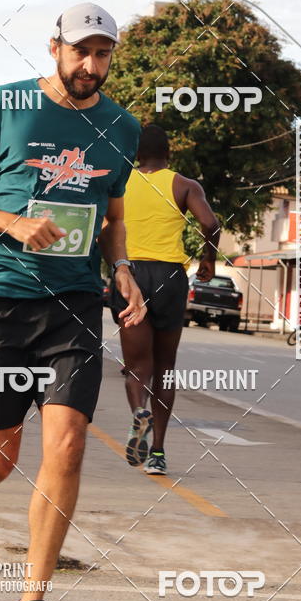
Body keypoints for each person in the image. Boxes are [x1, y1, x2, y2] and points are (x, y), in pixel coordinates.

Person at [0, 2, 144, 601]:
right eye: (81, 51)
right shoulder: (5, 106)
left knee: (70, 446)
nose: (91, 65)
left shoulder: (120, 126)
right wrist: (11, 222)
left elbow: (112, 212)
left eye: (103, 53)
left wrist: (124, 269)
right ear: (54, 47)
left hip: (75, 303)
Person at [111, 125, 220, 476]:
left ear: (136, 154)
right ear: (168, 152)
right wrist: (208, 258)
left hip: (130, 276)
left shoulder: (119, 182)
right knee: (165, 369)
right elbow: (211, 222)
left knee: (137, 366)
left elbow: (104, 227)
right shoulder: (186, 185)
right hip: (170, 277)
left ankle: (138, 413)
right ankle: (157, 452)